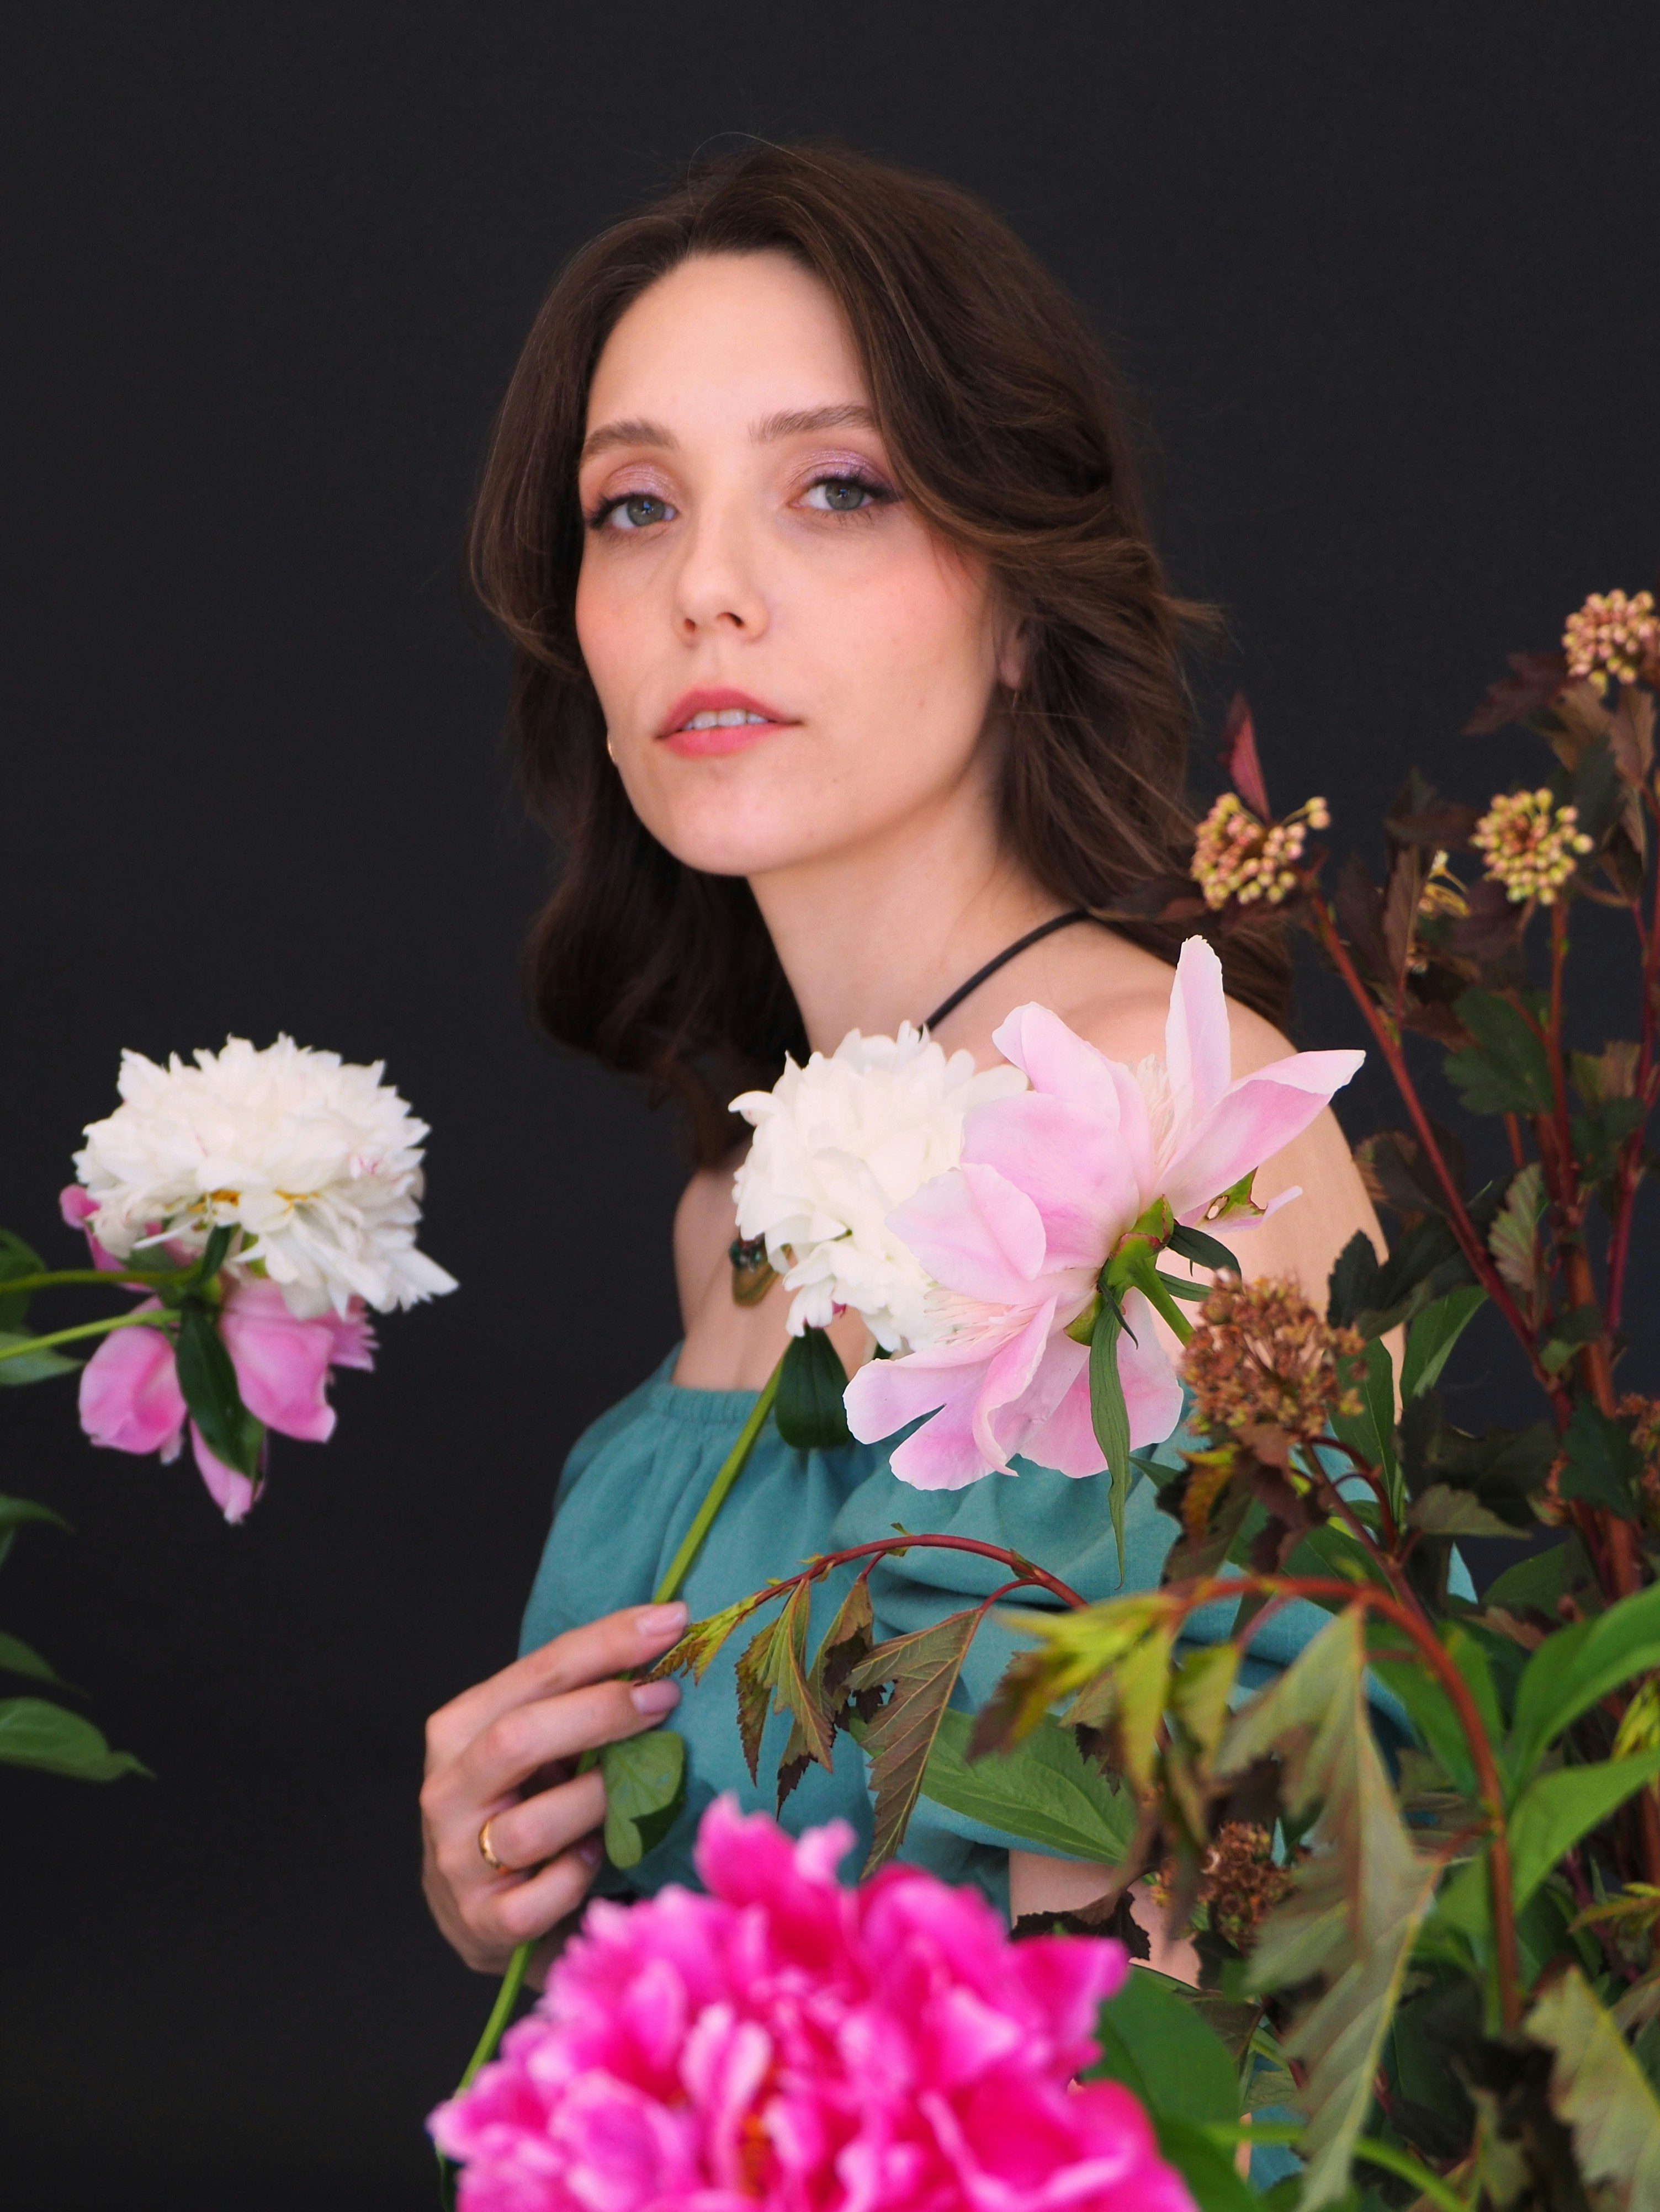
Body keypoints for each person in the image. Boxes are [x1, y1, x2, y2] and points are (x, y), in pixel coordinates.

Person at [420, 142, 1382, 1986]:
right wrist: (525, 1883)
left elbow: (1259, 1951)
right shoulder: (732, 1223)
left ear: (1025, 604)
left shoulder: (1174, 1120)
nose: (709, 586)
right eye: (634, 508)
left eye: (836, 489)